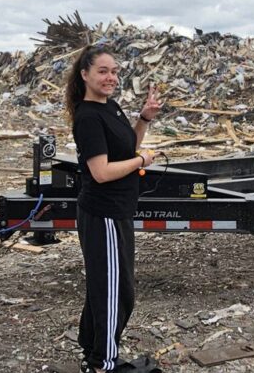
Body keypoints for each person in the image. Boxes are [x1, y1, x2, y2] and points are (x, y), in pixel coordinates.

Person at [65, 44, 162, 373]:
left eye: (115, 71)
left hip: (117, 211)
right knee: (115, 292)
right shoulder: (88, 117)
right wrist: (142, 161)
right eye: (103, 71)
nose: (111, 77)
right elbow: (102, 172)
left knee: (106, 285)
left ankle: (93, 350)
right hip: (103, 213)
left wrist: (144, 119)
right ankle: (103, 363)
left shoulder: (111, 107)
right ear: (85, 75)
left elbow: (126, 147)